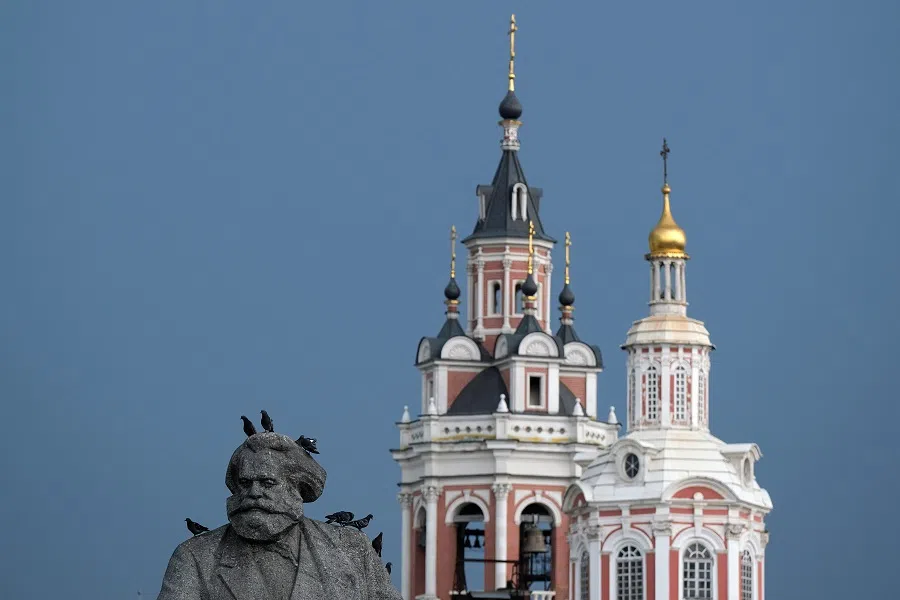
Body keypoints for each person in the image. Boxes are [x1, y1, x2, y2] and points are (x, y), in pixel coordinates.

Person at [157, 432, 400, 600]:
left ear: (295, 488)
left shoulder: (351, 550)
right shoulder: (196, 558)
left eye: (266, 482)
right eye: (245, 483)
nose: (253, 493)